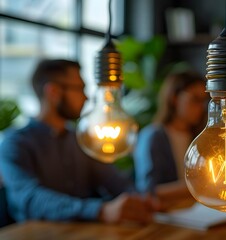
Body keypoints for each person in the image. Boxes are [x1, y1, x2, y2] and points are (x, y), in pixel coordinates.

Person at [0, 59, 155, 224]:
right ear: (53, 91)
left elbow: (113, 181)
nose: (86, 97)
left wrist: (140, 200)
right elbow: (29, 198)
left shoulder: (81, 139)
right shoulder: (15, 143)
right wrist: (100, 211)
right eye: (79, 88)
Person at [134, 71, 207, 201]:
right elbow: (148, 191)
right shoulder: (153, 137)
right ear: (174, 98)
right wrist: (198, 186)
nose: (201, 107)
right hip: (168, 214)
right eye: (195, 99)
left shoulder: (200, 137)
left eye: (203, 101)